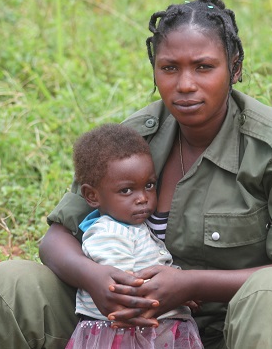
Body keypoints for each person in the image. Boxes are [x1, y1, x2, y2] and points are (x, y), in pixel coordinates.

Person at [0, 0, 272, 349]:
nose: (185, 84)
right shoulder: (133, 140)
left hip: (244, 328)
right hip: (127, 328)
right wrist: (95, 279)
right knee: (11, 282)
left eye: (204, 67)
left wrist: (190, 285)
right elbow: (55, 239)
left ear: (235, 68)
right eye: (170, 68)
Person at [66, 123, 202, 349]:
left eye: (149, 185)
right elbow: (125, 287)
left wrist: (181, 289)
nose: (143, 198)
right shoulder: (108, 233)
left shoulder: (135, 227)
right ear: (92, 195)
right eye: (126, 190)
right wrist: (176, 295)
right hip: (124, 335)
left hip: (146, 330)